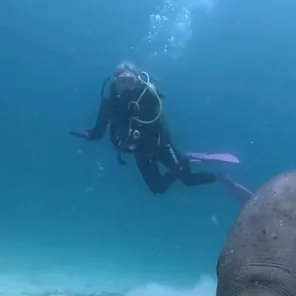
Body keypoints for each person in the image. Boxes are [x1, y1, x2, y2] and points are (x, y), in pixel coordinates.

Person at [70, 62, 225, 196]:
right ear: (114, 83)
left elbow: (157, 113)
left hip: (160, 145)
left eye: (129, 80)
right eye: (122, 81)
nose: (126, 86)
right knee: (157, 189)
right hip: (140, 152)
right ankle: (184, 163)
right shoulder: (109, 105)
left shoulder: (147, 96)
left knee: (188, 180)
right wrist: (89, 135)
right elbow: (98, 131)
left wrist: (145, 97)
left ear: (137, 80)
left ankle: (218, 176)